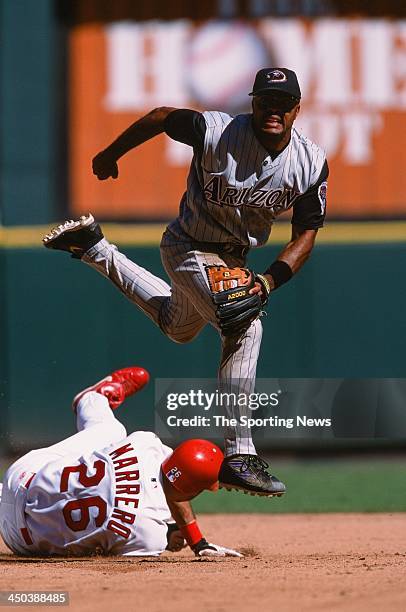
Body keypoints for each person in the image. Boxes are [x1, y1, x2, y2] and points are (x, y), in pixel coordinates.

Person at [43, 67, 328, 497]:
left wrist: (268, 282)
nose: (274, 110)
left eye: (283, 103)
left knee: (179, 328)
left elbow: (305, 235)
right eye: (266, 101)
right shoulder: (215, 132)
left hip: (234, 256)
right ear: (252, 102)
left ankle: (95, 249)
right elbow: (160, 116)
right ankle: (240, 454)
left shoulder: (309, 163)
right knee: (245, 322)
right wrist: (110, 154)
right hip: (189, 246)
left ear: (296, 109)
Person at [0, 367, 241, 558]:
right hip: (21, 540)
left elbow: (174, 479)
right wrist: (179, 538)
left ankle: (92, 399)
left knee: (112, 429)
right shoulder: (151, 536)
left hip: (22, 476)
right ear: (192, 489)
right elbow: (172, 493)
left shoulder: (144, 445)